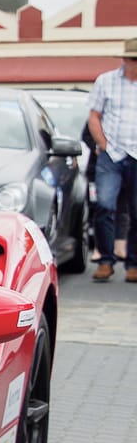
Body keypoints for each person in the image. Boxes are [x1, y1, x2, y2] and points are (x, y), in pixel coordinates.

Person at [86, 38, 137, 281]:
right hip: (112, 154)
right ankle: (105, 260)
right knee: (105, 204)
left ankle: (133, 264)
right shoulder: (106, 81)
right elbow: (94, 116)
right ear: (125, 60)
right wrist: (103, 145)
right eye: (133, 59)